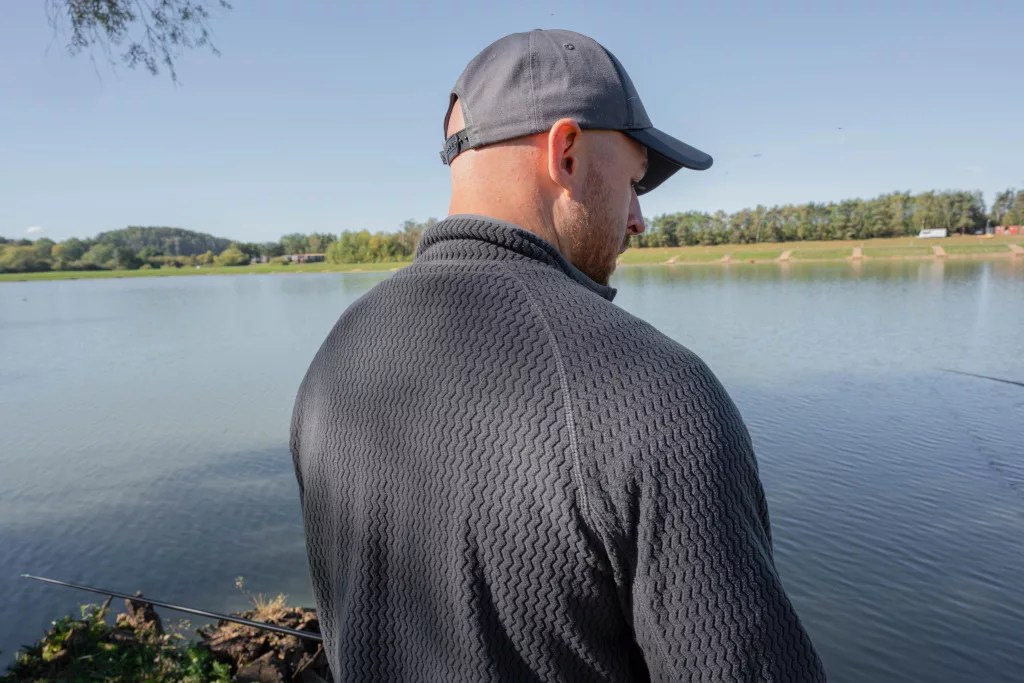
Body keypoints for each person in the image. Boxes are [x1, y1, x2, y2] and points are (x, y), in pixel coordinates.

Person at [291, 28, 826, 682]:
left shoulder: (334, 361)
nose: (639, 218)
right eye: (634, 181)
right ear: (565, 152)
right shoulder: (656, 396)